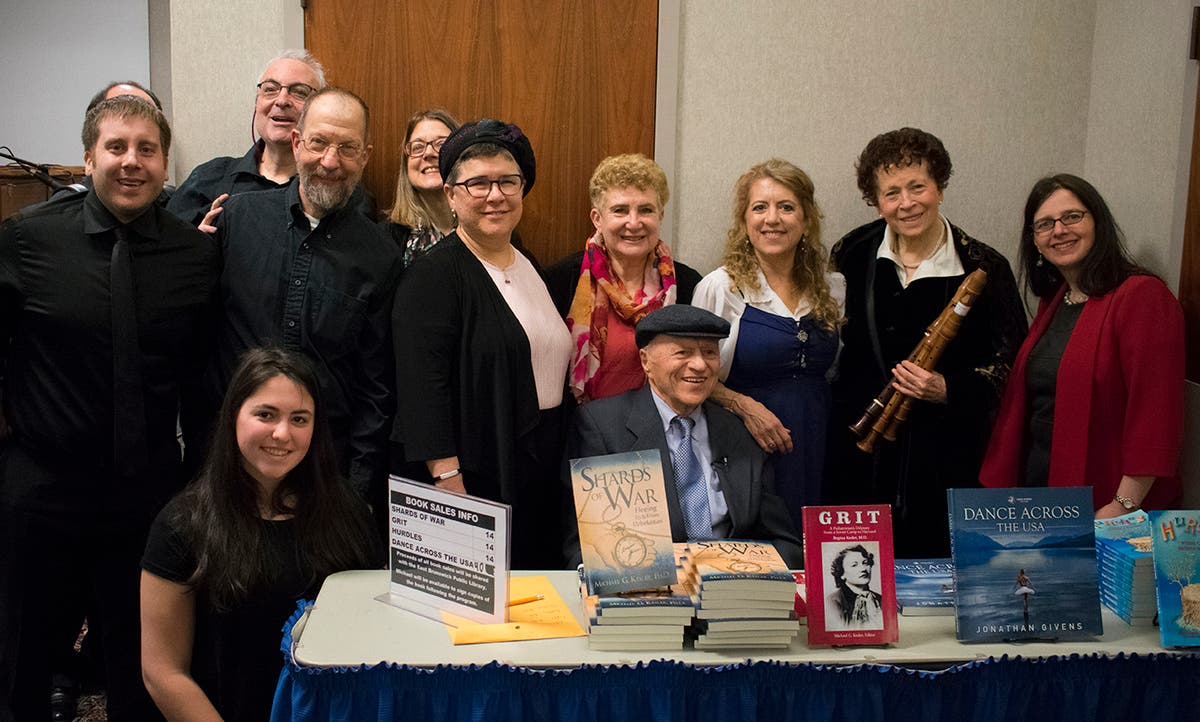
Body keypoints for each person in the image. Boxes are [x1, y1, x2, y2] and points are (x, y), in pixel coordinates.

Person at [0, 96, 220, 721]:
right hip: (41, 484)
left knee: (139, 660)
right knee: (21, 654)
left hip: (146, 491)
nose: (131, 162)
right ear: (88, 156)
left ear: (164, 160)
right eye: (117, 147)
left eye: (146, 149)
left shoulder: (195, 256)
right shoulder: (27, 240)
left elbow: (202, 375)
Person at [141, 347, 379, 722]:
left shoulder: (347, 510)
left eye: (299, 419)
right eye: (265, 415)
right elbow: (163, 672)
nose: (282, 433)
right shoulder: (181, 525)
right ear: (233, 416)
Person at [826, 127, 1026, 558]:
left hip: (949, 455)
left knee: (938, 583)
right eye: (891, 192)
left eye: (918, 187)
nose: (906, 203)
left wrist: (947, 388)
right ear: (876, 201)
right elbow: (834, 344)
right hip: (863, 455)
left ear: (939, 187)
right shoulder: (851, 253)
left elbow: (1012, 364)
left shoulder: (983, 265)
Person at [197, 87, 401, 505]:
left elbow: (376, 386)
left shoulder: (381, 256)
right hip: (228, 467)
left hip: (324, 474)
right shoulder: (237, 218)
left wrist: (357, 490)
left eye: (347, 148)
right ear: (296, 143)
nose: (330, 161)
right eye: (319, 143)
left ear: (364, 157)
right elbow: (196, 338)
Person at [393, 118, 573, 569]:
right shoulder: (433, 276)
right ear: (451, 195)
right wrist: (449, 483)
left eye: (507, 182)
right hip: (476, 471)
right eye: (478, 183)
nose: (495, 195)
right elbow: (422, 389)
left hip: (540, 463)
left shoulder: (530, 263)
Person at [979, 174, 1184, 515]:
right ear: (1035, 240)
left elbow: (1155, 414)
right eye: (1044, 224)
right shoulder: (1057, 300)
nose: (1059, 230)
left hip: (1104, 499)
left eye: (1072, 216)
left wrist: (1123, 504)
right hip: (1041, 493)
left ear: (1098, 222)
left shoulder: (1142, 296)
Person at [563, 304, 804, 569]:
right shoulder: (603, 427)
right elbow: (587, 547)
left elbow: (784, 543)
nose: (700, 365)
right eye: (683, 353)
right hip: (650, 590)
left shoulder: (739, 431)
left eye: (710, 353)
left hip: (734, 587)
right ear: (646, 361)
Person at [693, 159, 845, 528]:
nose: (772, 218)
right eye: (759, 207)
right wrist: (745, 406)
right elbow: (692, 375)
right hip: (748, 447)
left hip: (821, 442)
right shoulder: (722, 288)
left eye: (786, 207)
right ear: (745, 221)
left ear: (806, 220)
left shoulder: (833, 287)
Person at [544, 153, 703, 404]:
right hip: (582, 431)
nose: (634, 222)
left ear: (660, 216)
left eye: (646, 210)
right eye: (620, 210)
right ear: (597, 219)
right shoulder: (561, 281)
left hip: (660, 432)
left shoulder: (688, 285)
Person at [166, 50, 327, 227]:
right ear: (256, 103)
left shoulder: (331, 185)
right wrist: (199, 244)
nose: (282, 100)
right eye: (270, 89)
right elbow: (164, 246)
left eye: (299, 92)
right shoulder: (209, 178)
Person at [383, 108, 461, 267]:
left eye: (441, 144)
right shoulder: (385, 240)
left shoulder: (487, 229)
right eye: (418, 147)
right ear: (406, 163)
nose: (428, 153)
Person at [825, 545, 884, 630]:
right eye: (854, 565)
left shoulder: (880, 600)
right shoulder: (832, 602)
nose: (863, 569)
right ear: (842, 574)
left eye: (865, 563)